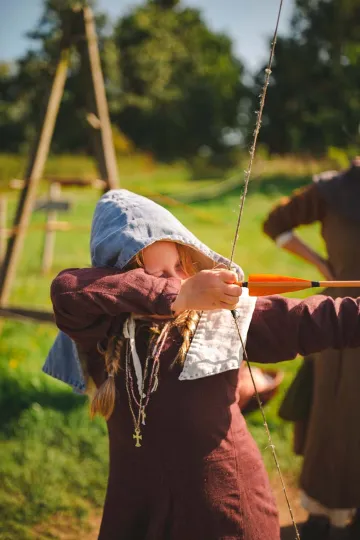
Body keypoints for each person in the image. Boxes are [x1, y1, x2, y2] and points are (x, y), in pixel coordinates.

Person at [44, 189, 360, 540]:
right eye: (156, 271)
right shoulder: (103, 330)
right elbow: (67, 290)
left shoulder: (220, 317)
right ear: (122, 275)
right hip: (137, 507)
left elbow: (313, 320)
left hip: (225, 511)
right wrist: (173, 298)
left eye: (179, 267)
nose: (174, 279)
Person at [263, 158, 360, 540]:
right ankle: (326, 512)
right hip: (343, 321)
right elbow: (276, 224)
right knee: (339, 413)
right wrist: (320, 262)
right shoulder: (334, 190)